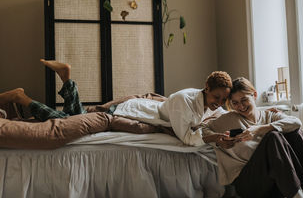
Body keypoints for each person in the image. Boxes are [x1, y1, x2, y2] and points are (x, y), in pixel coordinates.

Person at [0, 59, 232, 146]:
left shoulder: (205, 103)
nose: (218, 103)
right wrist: (211, 138)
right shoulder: (185, 100)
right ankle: (22, 98)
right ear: (206, 87)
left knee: (76, 114)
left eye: (223, 100)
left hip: (138, 109)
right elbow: (187, 139)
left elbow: (202, 121)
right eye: (216, 98)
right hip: (129, 112)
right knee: (66, 120)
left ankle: (67, 79)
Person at [201, 77, 303, 198]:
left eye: (244, 100)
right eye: (235, 103)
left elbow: (296, 122)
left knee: (295, 132)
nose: (240, 106)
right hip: (250, 188)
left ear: (254, 95)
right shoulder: (229, 119)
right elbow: (202, 128)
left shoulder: (269, 115)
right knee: (273, 136)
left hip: (276, 187)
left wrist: (259, 129)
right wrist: (218, 139)